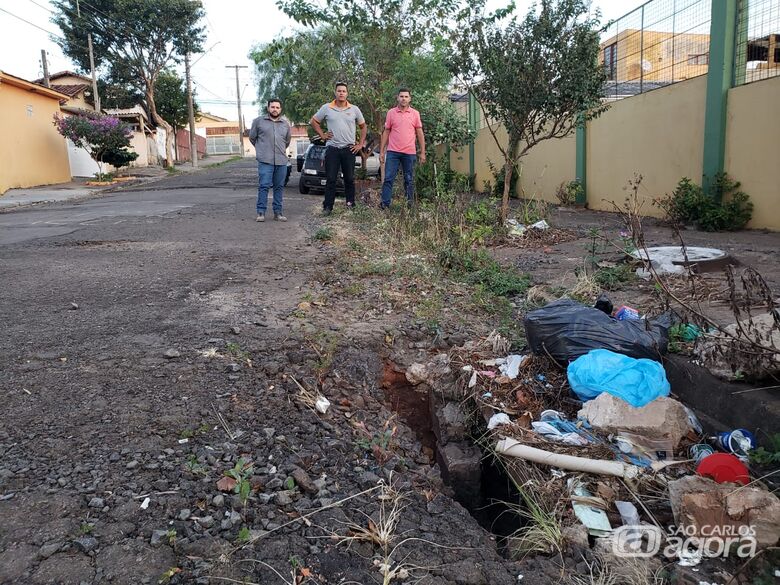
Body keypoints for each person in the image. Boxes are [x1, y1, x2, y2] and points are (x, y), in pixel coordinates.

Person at [311, 82, 367, 215]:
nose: (341, 93)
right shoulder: (326, 108)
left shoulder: (354, 109)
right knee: (331, 178)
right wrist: (322, 135)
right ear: (335, 92)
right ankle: (328, 207)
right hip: (332, 148)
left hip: (349, 149)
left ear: (347, 93)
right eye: (339, 91)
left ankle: (350, 204)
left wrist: (360, 144)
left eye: (344, 91)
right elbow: (313, 121)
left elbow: (363, 126)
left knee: (349, 178)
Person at [380, 88, 426, 209]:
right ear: (397, 98)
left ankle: (409, 205)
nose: (403, 99)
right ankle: (385, 204)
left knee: (409, 180)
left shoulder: (415, 114)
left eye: (406, 96)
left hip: (409, 153)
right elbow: (386, 131)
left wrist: (423, 152)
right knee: (389, 178)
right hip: (393, 152)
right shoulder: (391, 113)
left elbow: (420, 133)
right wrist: (382, 151)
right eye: (401, 96)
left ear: (410, 98)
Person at [249, 98, 291, 222]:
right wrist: (262, 150)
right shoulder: (259, 122)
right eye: (272, 107)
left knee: (279, 187)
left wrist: (280, 150)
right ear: (268, 108)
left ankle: (278, 213)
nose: (275, 109)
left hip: (281, 160)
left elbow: (287, 141)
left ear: (280, 109)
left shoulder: (285, 124)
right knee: (264, 186)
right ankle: (261, 213)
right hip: (265, 160)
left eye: (277, 107)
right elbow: (252, 138)